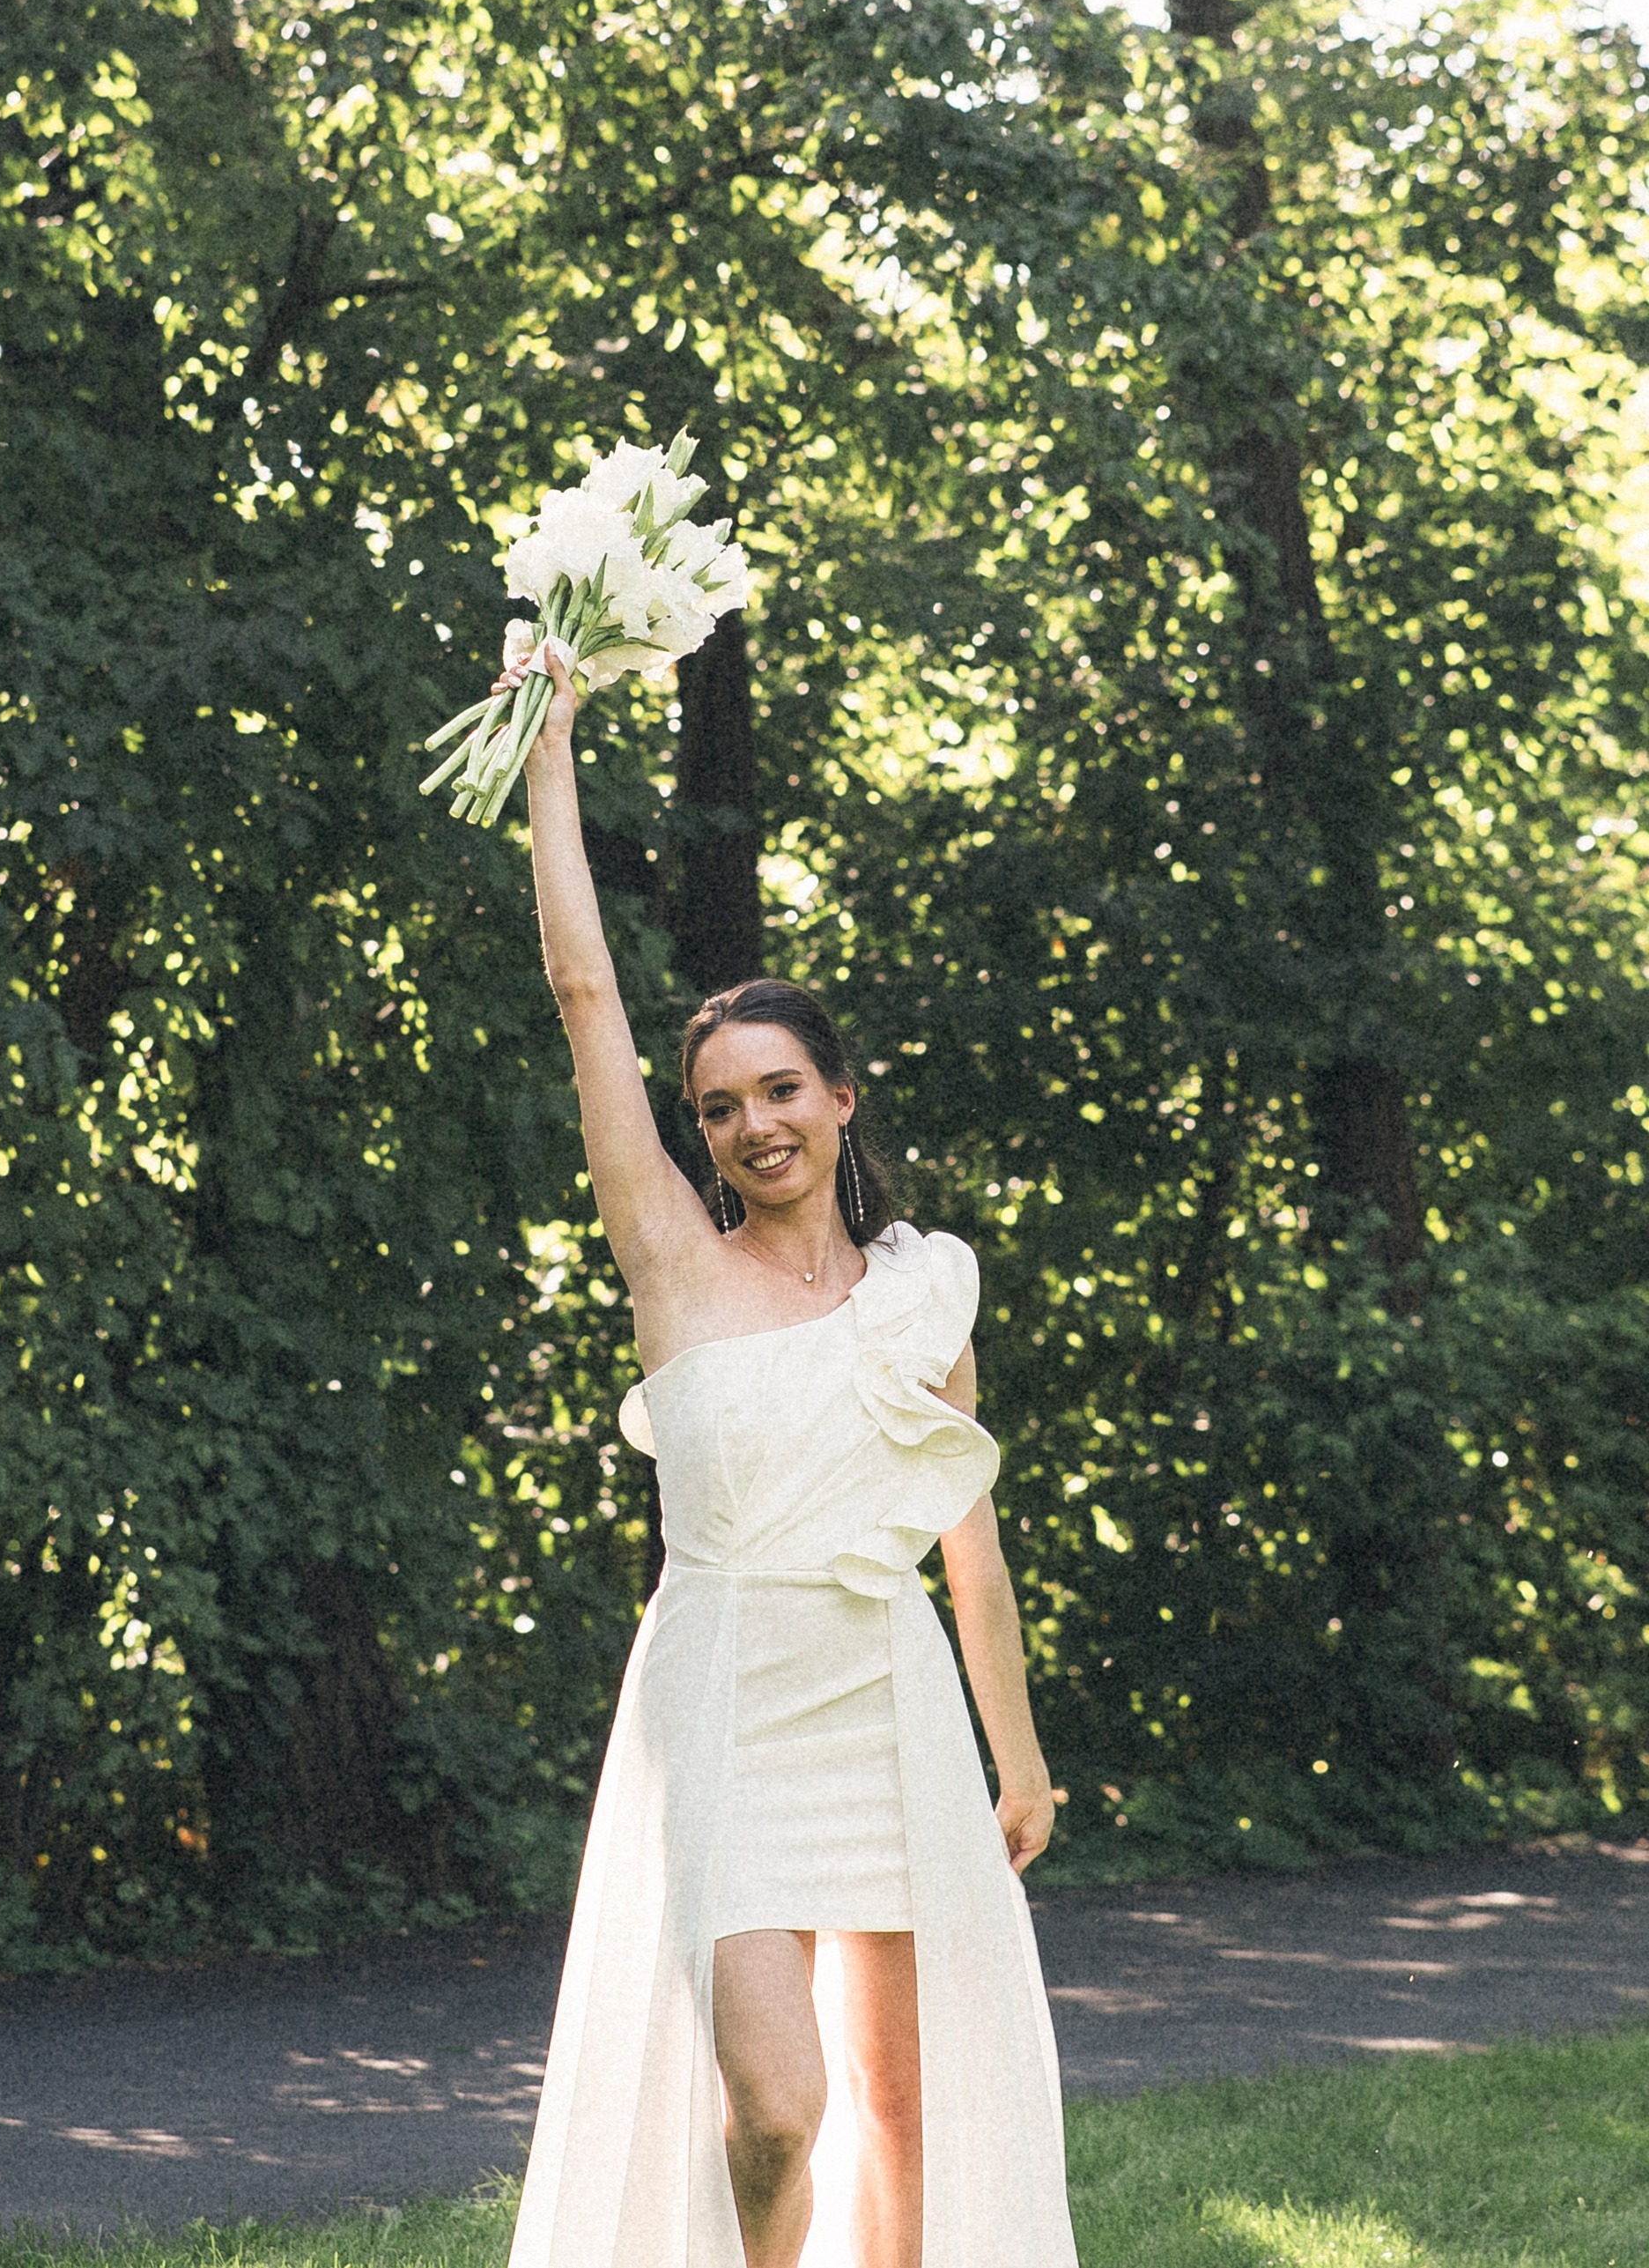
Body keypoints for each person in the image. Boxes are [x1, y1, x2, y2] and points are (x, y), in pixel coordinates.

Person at [505, 649, 1077, 2268]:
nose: (754, 1124)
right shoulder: (674, 1268)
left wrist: (1015, 1754)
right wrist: (552, 746)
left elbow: (970, 1545)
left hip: (889, 1695)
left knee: (902, 2109)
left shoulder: (923, 1294)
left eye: (780, 1089)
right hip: (725, 1690)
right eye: (720, 1107)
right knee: (775, 2105)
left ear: (837, 1096)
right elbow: (585, 992)